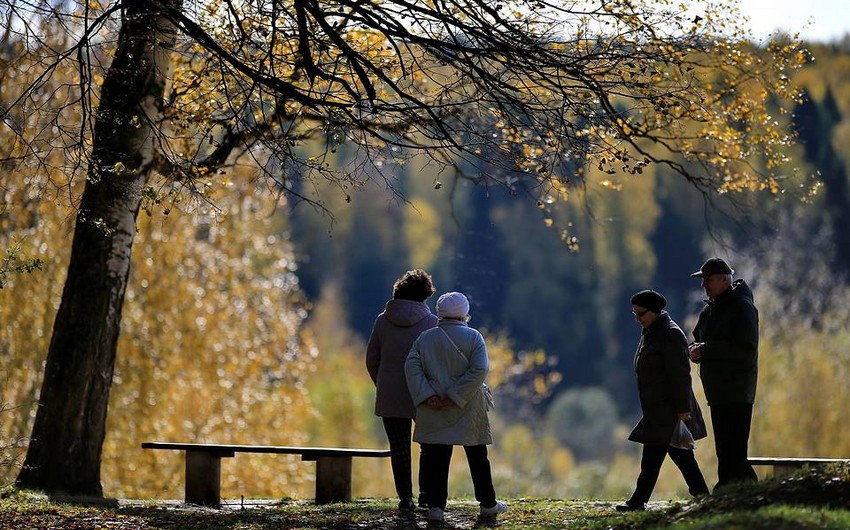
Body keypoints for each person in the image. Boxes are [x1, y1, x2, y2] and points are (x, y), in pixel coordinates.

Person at [404, 291, 507, 522]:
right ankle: (488, 504)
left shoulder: (424, 338)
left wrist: (428, 395)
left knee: (435, 457)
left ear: (440, 313)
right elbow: (479, 370)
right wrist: (455, 396)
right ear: (464, 313)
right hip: (468, 404)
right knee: (478, 456)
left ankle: (436, 507)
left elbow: (411, 368)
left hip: (433, 407)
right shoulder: (474, 337)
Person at [617, 289, 710, 512]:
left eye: (641, 314)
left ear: (655, 312)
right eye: (635, 315)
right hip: (657, 411)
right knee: (658, 458)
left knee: (674, 458)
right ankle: (640, 501)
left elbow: (679, 375)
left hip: (670, 410)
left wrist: (682, 410)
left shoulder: (670, 333)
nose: (638, 319)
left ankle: (702, 498)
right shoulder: (652, 331)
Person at [366, 269, 438, 511]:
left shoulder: (382, 320)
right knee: (428, 444)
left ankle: (405, 498)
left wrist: (383, 383)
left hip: (390, 392)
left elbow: (372, 359)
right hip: (423, 392)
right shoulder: (431, 323)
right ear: (424, 295)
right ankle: (426, 494)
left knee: (399, 447)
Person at [688, 257, 759, 488]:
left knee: (734, 448)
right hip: (718, 391)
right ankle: (733, 489)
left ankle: (741, 490)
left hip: (737, 389)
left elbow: (745, 350)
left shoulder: (742, 308)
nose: (704, 285)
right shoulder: (710, 312)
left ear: (723, 280)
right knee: (725, 448)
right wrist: (695, 350)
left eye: (707, 280)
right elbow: (699, 339)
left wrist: (705, 350)